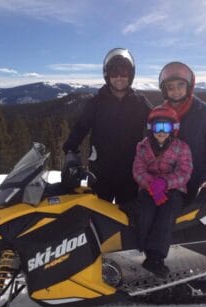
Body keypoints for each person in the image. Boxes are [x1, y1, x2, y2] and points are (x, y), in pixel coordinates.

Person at [62, 48, 152, 203]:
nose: (119, 78)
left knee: (127, 218)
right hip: (101, 171)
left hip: (131, 171)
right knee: (99, 218)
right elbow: (81, 127)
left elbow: (157, 122)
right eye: (114, 73)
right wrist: (70, 150)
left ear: (130, 75)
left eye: (123, 73)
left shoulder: (140, 102)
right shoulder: (96, 103)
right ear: (107, 75)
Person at [132, 106, 192, 278]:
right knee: (145, 211)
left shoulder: (182, 148)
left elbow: (185, 172)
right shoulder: (142, 147)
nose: (161, 132)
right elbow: (138, 170)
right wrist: (152, 186)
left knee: (167, 212)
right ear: (151, 129)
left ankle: (155, 257)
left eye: (166, 128)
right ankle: (142, 247)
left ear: (173, 129)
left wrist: (164, 183)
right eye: (158, 127)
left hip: (173, 190)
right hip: (148, 189)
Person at [158, 62, 206, 202]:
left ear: (189, 86)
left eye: (180, 85)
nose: (176, 91)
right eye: (170, 87)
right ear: (164, 90)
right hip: (163, 180)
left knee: (182, 221)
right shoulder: (159, 114)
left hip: (193, 181)